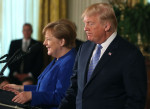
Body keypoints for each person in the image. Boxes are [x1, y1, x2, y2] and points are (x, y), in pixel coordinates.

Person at [59, 3, 147, 109]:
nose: (85, 28)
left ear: (107, 26)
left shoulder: (130, 54)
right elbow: (74, 88)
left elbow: (136, 100)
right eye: (85, 23)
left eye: (90, 23)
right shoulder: (84, 48)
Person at [3, 19, 77, 109]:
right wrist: (21, 88)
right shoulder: (58, 59)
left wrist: (31, 96)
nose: (44, 43)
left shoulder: (69, 62)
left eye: (48, 39)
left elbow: (62, 97)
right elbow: (45, 89)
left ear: (62, 42)